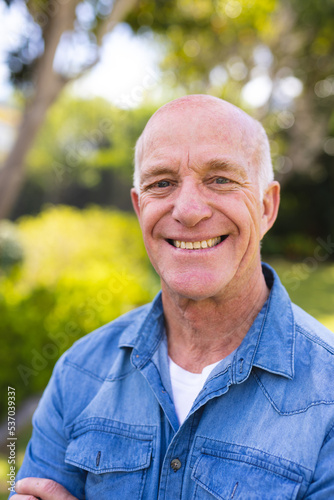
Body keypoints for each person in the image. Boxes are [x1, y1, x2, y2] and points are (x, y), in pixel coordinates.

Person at [11, 95, 334, 500]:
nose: (188, 210)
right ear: (138, 206)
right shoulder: (78, 372)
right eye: (161, 183)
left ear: (267, 207)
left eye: (220, 179)